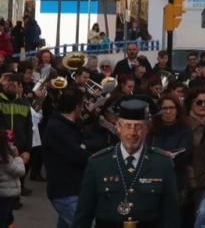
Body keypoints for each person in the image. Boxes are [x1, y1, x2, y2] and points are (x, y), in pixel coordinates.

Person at [73, 96, 180, 227]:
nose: (132, 132)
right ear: (118, 127)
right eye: (128, 126)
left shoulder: (162, 163)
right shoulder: (98, 163)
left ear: (147, 129)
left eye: (138, 127)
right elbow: (83, 214)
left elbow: (171, 216)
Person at [42, 87, 88, 228]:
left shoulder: (71, 125)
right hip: (65, 191)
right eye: (82, 104)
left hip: (74, 188)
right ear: (77, 106)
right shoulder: (58, 128)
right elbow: (79, 156)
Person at [147, 94, 193, 208]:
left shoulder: (185, 130)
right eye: (164, 108)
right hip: (154, 181)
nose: (168, 112)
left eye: (171, 108)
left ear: (177, 110)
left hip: (176, 181)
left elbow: (184, 154)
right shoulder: (152, 131)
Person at [0, 128, 24, 228]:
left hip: (4, 194)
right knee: (5, 219)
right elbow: (20, 171)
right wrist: (18, 158)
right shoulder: (6, 160)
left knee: (8, 218)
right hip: (6, 194)